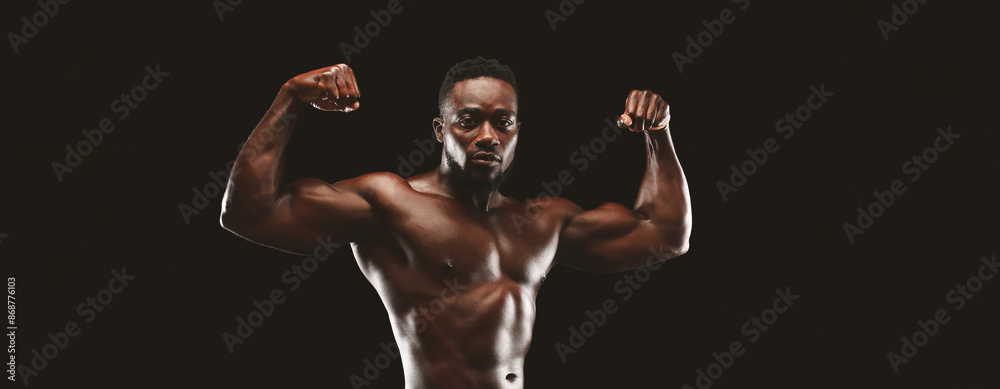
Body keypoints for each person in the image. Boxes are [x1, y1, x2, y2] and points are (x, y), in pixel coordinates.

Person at [220, 57, 692, 388]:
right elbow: (249, 214)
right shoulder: (390, 201)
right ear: (440, 130)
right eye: (469, 121)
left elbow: (666, 236)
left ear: (517, 132)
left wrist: (658, 134)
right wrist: (290, 99)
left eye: (502, 122)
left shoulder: (544, 221)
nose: (487, 136)